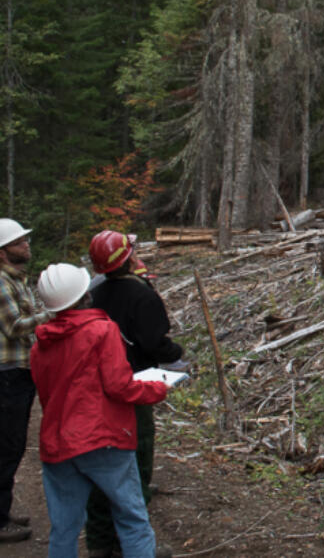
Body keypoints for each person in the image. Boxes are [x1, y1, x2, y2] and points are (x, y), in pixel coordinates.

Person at [31, 263, 168, 558]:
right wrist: (157, 388)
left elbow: (49, 394)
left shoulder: (40, 343)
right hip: (102, 439)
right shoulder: (102, 330)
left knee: (64, 529)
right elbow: (120, 386)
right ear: (84, 295)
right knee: (132, 519)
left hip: (57, 443)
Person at [85, 231, 183, 558]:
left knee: (101, 461)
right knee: (136, 458)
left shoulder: (88, 294)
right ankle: (134, 546)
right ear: (128, 259)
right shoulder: (143, 296)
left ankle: (99, 541)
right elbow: (156, 343)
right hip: (134, 385)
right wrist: (179, 354)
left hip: (94, 388)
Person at [0, 218, 49, 544]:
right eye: (19, 242)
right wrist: (53, 315)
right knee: (6, 447)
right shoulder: (1, 283)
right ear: (3, 252)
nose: (26, 245)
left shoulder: (15, 280)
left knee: (12, 446)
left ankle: (2, 511)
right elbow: (15, 326)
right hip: (7, 377)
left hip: (16, 374)